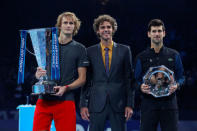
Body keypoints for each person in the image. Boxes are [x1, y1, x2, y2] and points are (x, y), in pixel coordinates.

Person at [33, 12, 89, 131]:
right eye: (65, 23)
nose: (68, 25)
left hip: (65, 100)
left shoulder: (80, 49)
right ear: (59, 26)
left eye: (71, 23)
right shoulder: (47, 45)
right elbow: (40, 72)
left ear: (75, 27)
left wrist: (66, 87)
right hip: (44, 100)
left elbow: (82, 79)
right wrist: (38, 75)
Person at [80, 14, 134, 131]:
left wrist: (130, 104)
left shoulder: (125, 50)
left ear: (113, 29)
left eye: (109, 27)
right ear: (98, 31)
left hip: (119, 103)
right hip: (97, 103)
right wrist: (83, 104)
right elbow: (86, 80)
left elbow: (129, 79)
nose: (106, 30)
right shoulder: (89, 51)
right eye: (102, 27)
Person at [134, 19, 185, 131]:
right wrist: (140, 87)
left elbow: (182, 77)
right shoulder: (141, 57)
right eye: (154, 31)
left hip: (169, 105)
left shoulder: (174, 54)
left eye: (159, 31)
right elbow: (134, 80)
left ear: (164, 33)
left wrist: (177, 85)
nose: (157, 34)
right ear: (149, 34)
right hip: (148, 105)